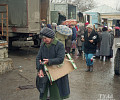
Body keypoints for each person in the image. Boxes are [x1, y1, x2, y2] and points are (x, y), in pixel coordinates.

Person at [36, 27, 70, 100]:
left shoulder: (59, 45)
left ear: (51, 37)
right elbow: (38, 58)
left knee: (56, 95)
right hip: (45, 73)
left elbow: (60, 59)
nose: (44, 40)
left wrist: (49, 61)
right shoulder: (43, 45)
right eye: (43, 39)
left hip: (57, 74)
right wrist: (40, 70)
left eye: (46, 38)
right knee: (44, 94)